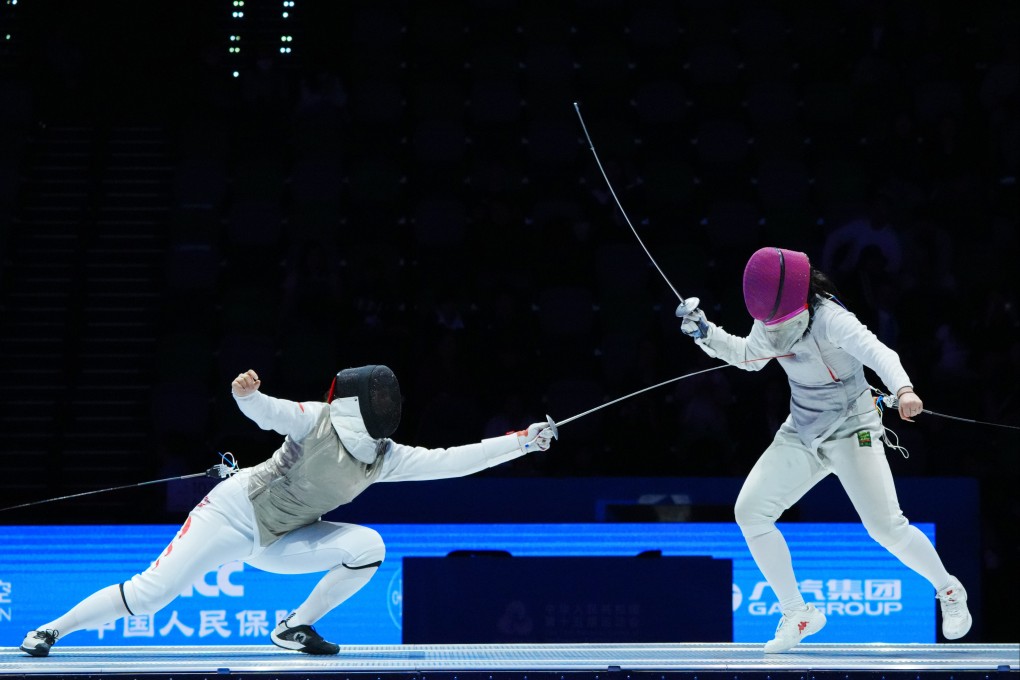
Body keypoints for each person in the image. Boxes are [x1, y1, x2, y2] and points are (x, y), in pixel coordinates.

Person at [20, 365, 555, 657]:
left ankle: (294, 627)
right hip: (231, 517)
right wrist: (246, 394)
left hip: (283, 541)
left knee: (369, 547)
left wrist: (522, 441)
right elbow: (270, 412)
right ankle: (52, 629)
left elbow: (456, 461)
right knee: (151, 593)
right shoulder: (316, 420)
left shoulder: (388, 458)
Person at [676, 247, 972, 653]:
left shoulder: (832, 319)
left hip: (854, 428)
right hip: (801, 430)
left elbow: (879, 353)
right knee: (750, 513)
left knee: (886, 527)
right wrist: (706, 333)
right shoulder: (773, 319)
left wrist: (903, 389)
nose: (771, 328)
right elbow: (749, 357)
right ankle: (798, 612)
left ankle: (949, 590)